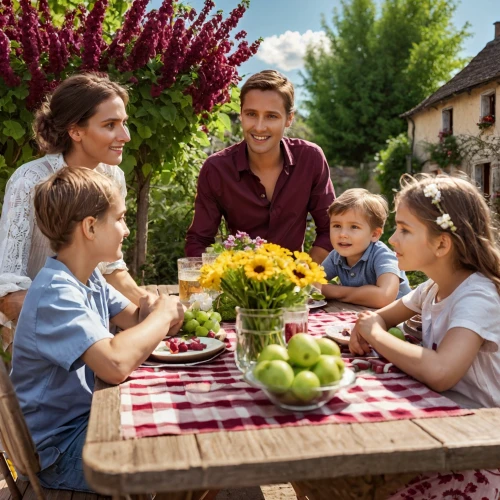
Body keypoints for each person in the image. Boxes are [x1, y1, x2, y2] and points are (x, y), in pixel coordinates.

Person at [10, 167, 184, 492]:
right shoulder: (55, 293)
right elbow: (115, 364)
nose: (126, 230)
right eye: (119, 219)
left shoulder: (87, 277)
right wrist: (160, 318)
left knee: (179, 421)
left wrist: (156, 308)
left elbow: (134, 319)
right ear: (90, 227)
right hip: (58, 450)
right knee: (175, 458)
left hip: (86, 423)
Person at [349, 174, 500, 498]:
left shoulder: (477, 296)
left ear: (441, 244)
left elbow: (441, 372)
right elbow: (381, 316)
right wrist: (369, 324)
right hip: (444, 427)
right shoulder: (432, 287)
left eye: (404, 229)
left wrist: (373, 333)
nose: (392, 239)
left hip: (483, 451)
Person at [0, 73, 151, 343]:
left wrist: (158, 311)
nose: (125, 136)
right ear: (75, 131)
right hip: (42, 337)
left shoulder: (113, 177)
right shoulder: (29, 182)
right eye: (110, 125)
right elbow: (8, 294)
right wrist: (87, 331)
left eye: (124, 123)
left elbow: (111, 269)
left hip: (97, 327)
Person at [185, 70, 335, 264]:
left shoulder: (310, 159)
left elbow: (331, 229)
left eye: (271, 116)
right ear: (241, 114)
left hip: (295, 287)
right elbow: (199, 240)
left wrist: (301, 275)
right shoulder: (216, 169)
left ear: (289, 119)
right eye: (251, 114)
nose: (259, 127)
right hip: (238, 285)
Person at [319, 188, 411, 308]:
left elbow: (384, 296)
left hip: (398, 320)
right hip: (358, 313)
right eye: (337, 225)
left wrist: (336, 291)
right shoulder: (336, 256)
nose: (342, 234)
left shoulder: (382, 256)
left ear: (374, 234)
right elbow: (314, 284)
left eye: (354, 227)